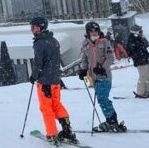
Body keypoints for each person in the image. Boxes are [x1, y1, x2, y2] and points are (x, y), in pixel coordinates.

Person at [29, 16, 76, 144]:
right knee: (56, 105)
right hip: (55, 80)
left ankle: (52, 134)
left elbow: (38, 63)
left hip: (45, 82)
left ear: (41, 27)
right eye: (32, 27)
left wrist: (34, 76)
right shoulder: (54, 40)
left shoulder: (39, 43)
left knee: (46, 108)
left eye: (34, 27)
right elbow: (55, 61)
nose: (32, 29)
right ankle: (67, 130)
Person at [78, 21, 126, 132]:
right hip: (93, 77)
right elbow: (84, 58)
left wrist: (102, 68)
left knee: (103, 99)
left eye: (96, 30)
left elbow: (110, 58)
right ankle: (110, 120)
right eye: (91, 31)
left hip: (104, 76)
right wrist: (83, 69)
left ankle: (112, 121)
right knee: (101, 99)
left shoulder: (104, 42)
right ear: (88, 32)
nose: (94, 33)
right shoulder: (85, 43)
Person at [126, 24, 149, 98]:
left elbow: (146, 46)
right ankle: (140, 92)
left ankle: (147, 91)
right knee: (143, 76)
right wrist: (145, 56)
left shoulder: (139, 38)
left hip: (144, 60)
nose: (142, 32)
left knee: (147, 76)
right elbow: (137, 52)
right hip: (139, 61)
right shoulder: (132, 40)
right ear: (135, 32)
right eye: (140, 31)